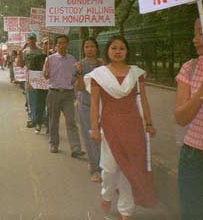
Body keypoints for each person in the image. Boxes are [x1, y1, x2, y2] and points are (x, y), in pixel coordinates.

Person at [85, 36, 156, 219]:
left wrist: (148, 123)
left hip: (133, 126)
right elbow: (94, 104)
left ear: (127, 51)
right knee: (109, 168)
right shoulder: (99, 75)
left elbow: (144, 99)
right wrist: (94, 128)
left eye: (122, 48)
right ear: (108, 51)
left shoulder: (136, 73)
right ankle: (107, 194)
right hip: (109, 126)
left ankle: (126, 209)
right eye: (114, 48)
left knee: (129, 167)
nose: (118, 51)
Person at [174, 3, 203, 220]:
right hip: (193, 158)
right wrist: (200, 93)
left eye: (202, 32)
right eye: (194, 33)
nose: (195, 39)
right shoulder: (189, 68)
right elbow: (180, 118)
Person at [43, 35, 85, 157]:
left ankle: (76, 148)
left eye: (65, 43)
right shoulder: (49, 59)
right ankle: (54, 144)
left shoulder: (72, 60)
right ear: (56, 45)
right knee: (53, 120)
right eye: (60, 43)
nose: (62, 45)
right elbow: (46, 76)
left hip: (67, 94)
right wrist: (46, 70)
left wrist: (77, 74)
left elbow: (75, 77)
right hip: (53, 93)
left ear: (68, 44)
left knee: (71, 121)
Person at [75, 38, 104, 183]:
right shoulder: (80, 65)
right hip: (86, 104)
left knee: (103, 137)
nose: (90, 49)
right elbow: (79, 88)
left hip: (102, 105)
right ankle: (95, 169)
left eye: (92, 46)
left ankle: (103, 164)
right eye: (87, 46)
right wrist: (79, 73)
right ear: (83, 49)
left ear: (97, 48)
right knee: (91, 136)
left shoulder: (103, 64)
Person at [22, 33, 45, 130]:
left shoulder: (41, 51)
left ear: (36, 40)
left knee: (40, 99)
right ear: (27, 40)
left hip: (39, 77)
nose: (31, 41)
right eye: (29, 39)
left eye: (33, 39)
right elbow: (22, 64)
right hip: (29, 76)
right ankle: (32, 118)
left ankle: (40, 118)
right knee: (30, 99)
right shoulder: (25, 52)